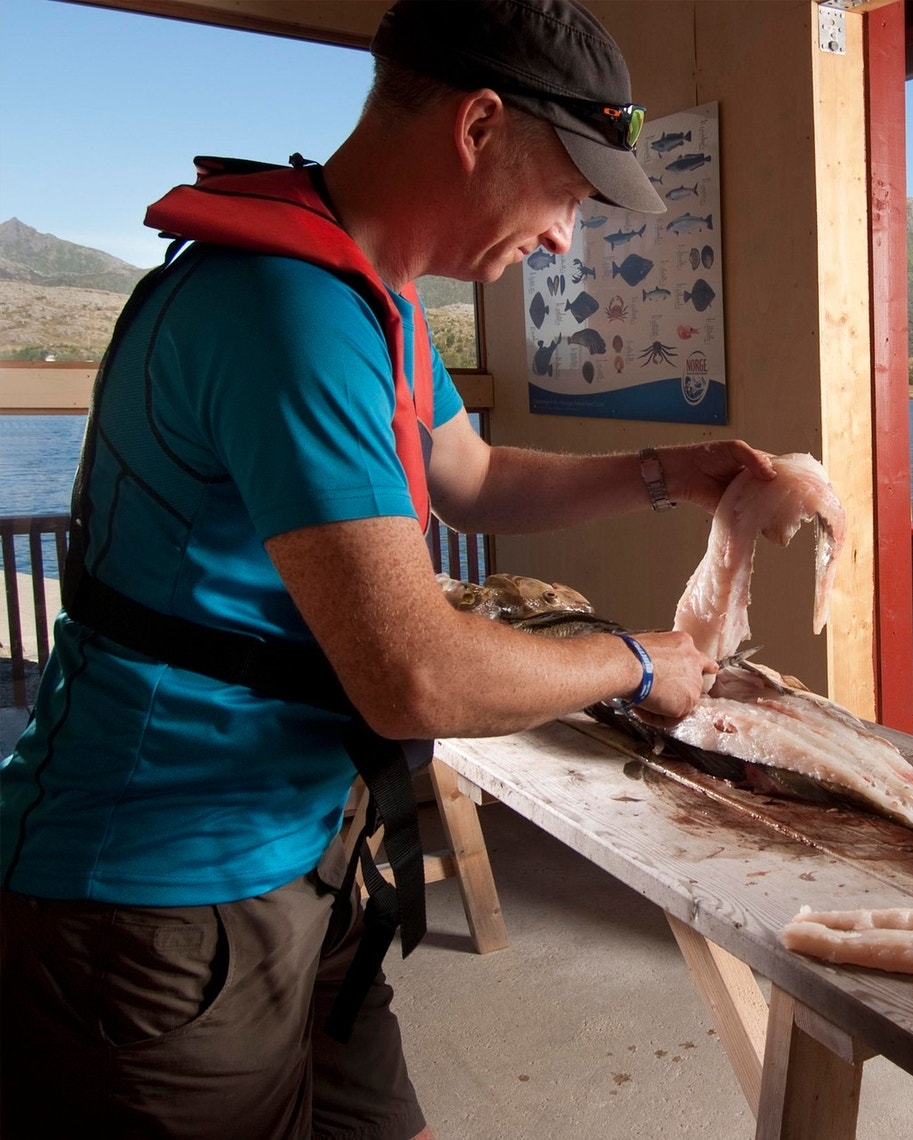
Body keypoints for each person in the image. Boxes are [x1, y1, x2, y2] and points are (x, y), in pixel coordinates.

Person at [0, 1, 771, 1136]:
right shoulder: (284, 310)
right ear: (479, 127)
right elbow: (414, 680)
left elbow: (466, 472)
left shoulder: (378, 303)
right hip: (156, 890)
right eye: (567, 188)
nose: (564, 238)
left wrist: (670, 470)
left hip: (307, 853)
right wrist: (633, 662)